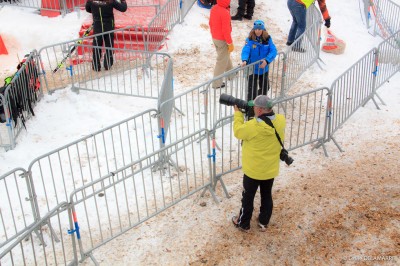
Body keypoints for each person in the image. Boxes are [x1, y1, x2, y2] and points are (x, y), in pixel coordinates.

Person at [231, 95, 286, 231]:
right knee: (266, 195)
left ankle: (243, 223)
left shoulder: (253, 126)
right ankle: (263, 221)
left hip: (253, 171)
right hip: (270, 169)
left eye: (254, 107)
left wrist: (238, 114)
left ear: (260, 110)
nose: (253, 109)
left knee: (247, 198)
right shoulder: (281, 120)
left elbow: (238, 131)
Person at [240, 20, 277, 118]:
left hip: (263, 69)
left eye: (259, 29)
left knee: (265, 88)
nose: (257, 31)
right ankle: (250, 112)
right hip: (252, 69)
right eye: (256, 29)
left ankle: (262, 108)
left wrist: (267, 61)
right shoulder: (249, 39)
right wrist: (244, 60)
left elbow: (273, 51)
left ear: (263, 29)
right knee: (251, 91)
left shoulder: (268, 39)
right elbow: (246, 50)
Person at [85, 0, 128, 71]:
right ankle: (107, 64)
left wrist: (95, 11)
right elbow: (123, 8)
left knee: (96, 46)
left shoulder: (91, 1)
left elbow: (88, 9)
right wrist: (123, 1)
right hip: (108, 27)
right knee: (109, 46)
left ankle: (96, 66)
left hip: (97, 26)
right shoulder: (111, 1)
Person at [209, 0, 234, 89]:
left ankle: (231, 74)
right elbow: (226, 30)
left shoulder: (214, 8)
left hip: (215, 37)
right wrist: (230, 42)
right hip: (222, 39)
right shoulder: (225, 13)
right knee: (221, 61)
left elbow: (210, 23)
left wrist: (213, 34)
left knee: (225, 56)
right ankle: (216, 83)